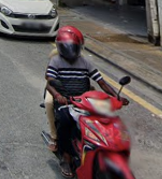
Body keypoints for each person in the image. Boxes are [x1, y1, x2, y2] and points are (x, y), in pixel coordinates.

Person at [45, 26, 128, 178]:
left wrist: (117, 97)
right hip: (66, 101)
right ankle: (65, 157)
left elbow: (102, 83)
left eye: (73, 47)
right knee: (65, 122)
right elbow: (50, 82)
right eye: (67, 47)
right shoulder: (56, 61)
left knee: (104, 120)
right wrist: (58, 96)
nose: (71, 51)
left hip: (85, 101)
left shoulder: (85, 62)